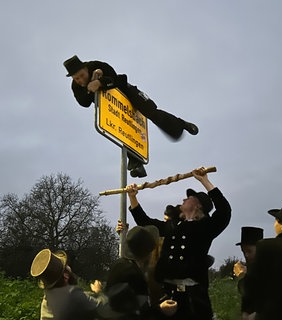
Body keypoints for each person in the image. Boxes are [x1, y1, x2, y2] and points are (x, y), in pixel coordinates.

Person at [63, 55, 199, 178]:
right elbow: (83, 102)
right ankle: (136, 164)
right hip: (115, 106)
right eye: (77, 78)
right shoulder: (76, 86)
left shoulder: (98, 65)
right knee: (122, 130)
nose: (80, 80)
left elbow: (119, 80)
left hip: (128, 93)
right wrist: (88, 89)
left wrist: (101, 82)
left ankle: (181, 124)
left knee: (151, 113)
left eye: (82, 75)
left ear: (86, 68)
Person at [126, 167, 232, 320]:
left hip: (194, 299)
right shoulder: (173, 225)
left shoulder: (206, 227)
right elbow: (146, 222)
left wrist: (205, 181)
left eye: (188, 198)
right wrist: (132, 197)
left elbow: (224, 211)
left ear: (198, 205)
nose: (183, 200)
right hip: (168, 294)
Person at [104, 225, 177, 319]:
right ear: (148, 254)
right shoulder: (135, 276)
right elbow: (139, 314)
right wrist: (160, 308)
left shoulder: (118, 265)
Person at [30, 249, 108, 320]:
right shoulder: (73, 295)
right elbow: (104, 308)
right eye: (66, 265)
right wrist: (98, 292)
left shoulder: (47, 299)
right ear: (66, 275)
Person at [233, 226, 263, 320]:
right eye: (243, 251)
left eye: (249, 251)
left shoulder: (267, 269)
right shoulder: (250, 268)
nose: (246, 255)